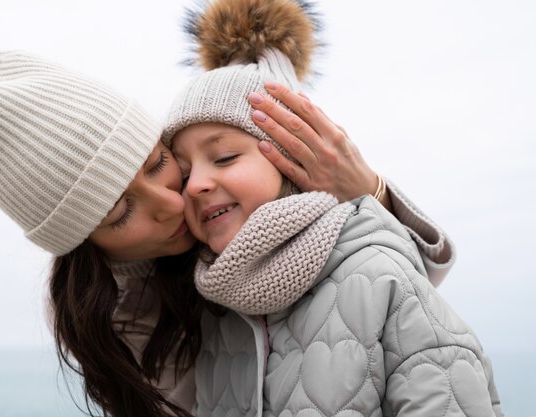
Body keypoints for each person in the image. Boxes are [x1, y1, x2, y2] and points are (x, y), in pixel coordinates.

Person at [0, 47, 455, 417]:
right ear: (89, 245)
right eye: (119, 213)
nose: (175, 199)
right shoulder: (116, 321)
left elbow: (398, 294)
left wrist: (370, 193)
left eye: (157, 164)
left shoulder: (237, 230)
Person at [162, 0, 502, 416]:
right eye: (182, 173)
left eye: (225, 157)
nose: (196, 184)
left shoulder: (378, 277)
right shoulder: (212, 309)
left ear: (295, 158)